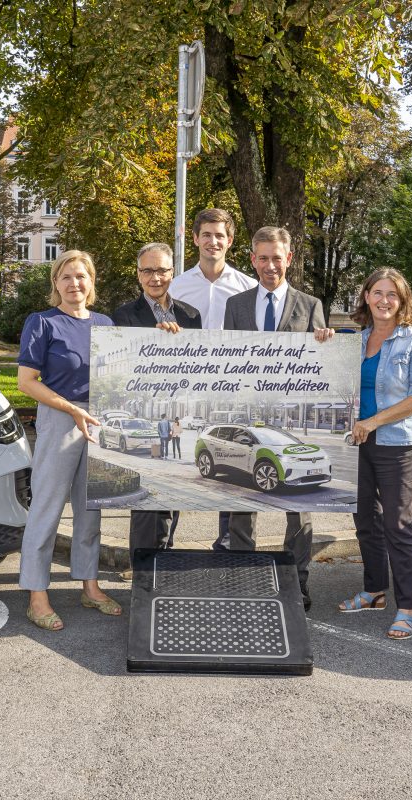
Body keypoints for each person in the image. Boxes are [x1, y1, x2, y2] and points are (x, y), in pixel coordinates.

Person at [222, 226, 334, 611]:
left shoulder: (311, 304)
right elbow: (229, 361)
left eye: (277, 257)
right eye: (263, 258)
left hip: (291, 420)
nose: (270, 265)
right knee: (242, 498)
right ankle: (242, 577)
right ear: (253, 260)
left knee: (299, 507)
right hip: (248, 416)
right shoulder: (236, 306)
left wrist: (327, 346)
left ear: (289, 259)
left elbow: (322, 368)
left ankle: (297, 583)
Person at [17, 250, 120, 632]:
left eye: (81, 276)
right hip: (61, 418)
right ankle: (36, 594)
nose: (74, 283)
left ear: (91, 282)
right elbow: (27, 383)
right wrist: (71, 410)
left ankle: (89, 586)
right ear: (55, 284)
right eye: (66, 277)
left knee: (91, 509)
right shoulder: (42, 323)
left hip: (99, 421)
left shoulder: (106, 324)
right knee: (46, 508)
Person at [338, 267, 412, 641]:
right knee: (365, 520)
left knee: (398, 525)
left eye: (392, 294)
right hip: (358, 442)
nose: (384, 300)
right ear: (366, 297)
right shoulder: (356, 341)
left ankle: (407, 608)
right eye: (377, 293)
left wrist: (373, 422)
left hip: (397, 443)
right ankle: (374, 591)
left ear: (402, 300)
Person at [170, 209, 258, 550]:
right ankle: (166, 542)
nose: (213, 241)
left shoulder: (247, 287)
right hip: (184, 387)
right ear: (194, 238)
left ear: (230, 240)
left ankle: (228, 539)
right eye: (206, 234)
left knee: (231, 457)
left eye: (220, 235)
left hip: (231, 390)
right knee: (177, 462)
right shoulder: (176, 286)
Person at [111, 242, 201, 554]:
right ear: (138, 275)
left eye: (161, 270)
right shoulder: (123, 315)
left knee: (171, 499)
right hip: (142, 414)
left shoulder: (191, 316)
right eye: (148, 270)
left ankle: (164, 560)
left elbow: (196, 365)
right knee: (144, 500)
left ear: (172, 272)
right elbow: (122, 364)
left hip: (171, 408)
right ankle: (141, 570)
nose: (155, 277)